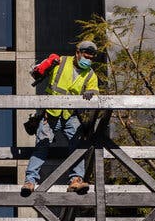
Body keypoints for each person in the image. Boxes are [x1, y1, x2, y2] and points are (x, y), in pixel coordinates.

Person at [21, 40, 99, 195]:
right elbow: (36, 73)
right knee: (42, 144)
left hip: (70, 115)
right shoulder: (60, 61)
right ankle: (30, 181)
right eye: (86, 56)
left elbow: (95, 90)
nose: (88, 60)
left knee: (77, 144)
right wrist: (47, 64)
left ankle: (75, 180)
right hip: (50, 113)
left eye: (90, 58)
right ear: (77, 53)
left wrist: (92, 93)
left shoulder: (90, 74)